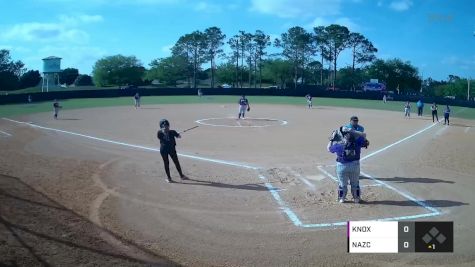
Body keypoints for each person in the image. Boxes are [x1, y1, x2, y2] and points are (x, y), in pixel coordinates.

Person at [327, 127, 369, 203]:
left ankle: (342, 198)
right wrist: (352, 131)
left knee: (342, 184)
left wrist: (332, 139)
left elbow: (328, 148)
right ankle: (356, 198)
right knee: (355, 183)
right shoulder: (357, 143)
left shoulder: (339, 146)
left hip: (342, 167)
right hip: (355, 166)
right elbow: (364, 135)